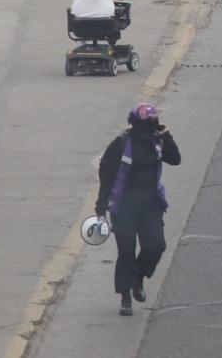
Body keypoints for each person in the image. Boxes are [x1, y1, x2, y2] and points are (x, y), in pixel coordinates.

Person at [93, 102, 179, 316]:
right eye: (150, 123)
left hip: (151, 204)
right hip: (124, 206)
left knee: (156, 246)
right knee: (126, 250)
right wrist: (101, 207)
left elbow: (175, 159)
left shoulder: (157, 141)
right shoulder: (121, 144)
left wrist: (166, 135)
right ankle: (125, 295)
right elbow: (106, 175)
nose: (152, 127)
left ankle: (138, 277)